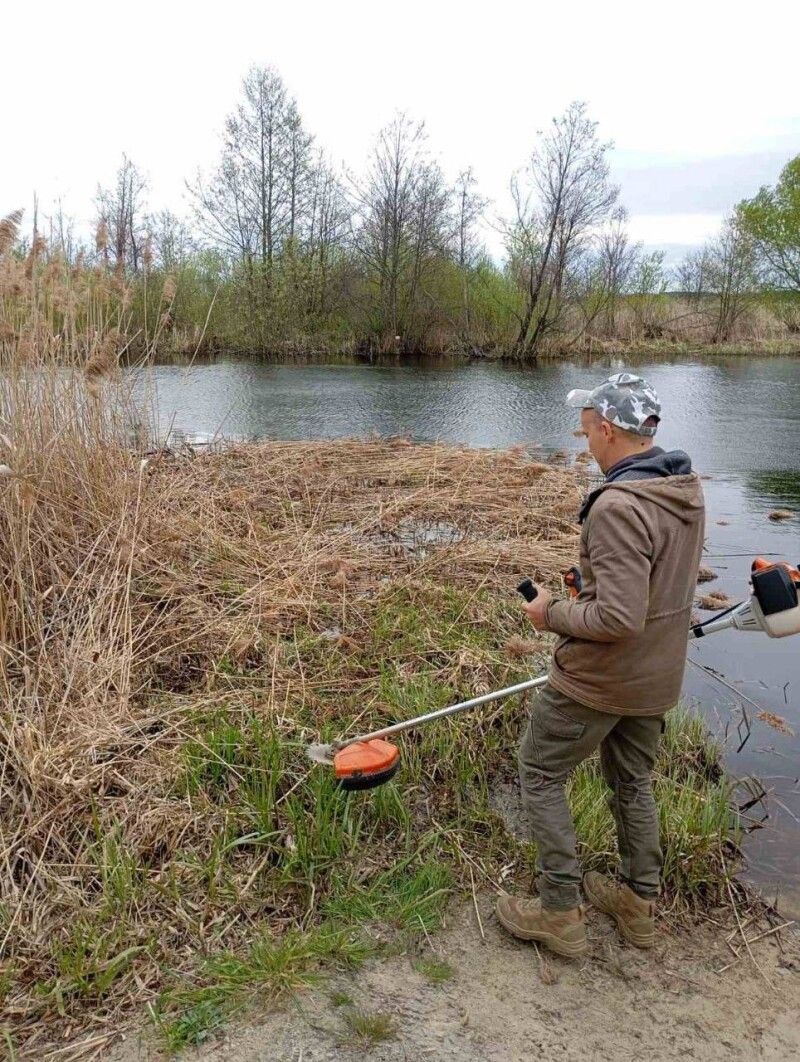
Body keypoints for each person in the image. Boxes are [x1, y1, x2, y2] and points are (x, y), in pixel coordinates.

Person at [496, 371, 705, 958]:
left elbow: (617, 620)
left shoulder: (617, 505)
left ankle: (559, 910)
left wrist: (551, 613)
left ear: (609, 430)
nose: (585, 441)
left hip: (598, 679)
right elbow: (648, 591)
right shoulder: (682, 488)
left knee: (539, 773)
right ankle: (639, 906)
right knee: (632, 781)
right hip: (656, 677)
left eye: (587, 430)